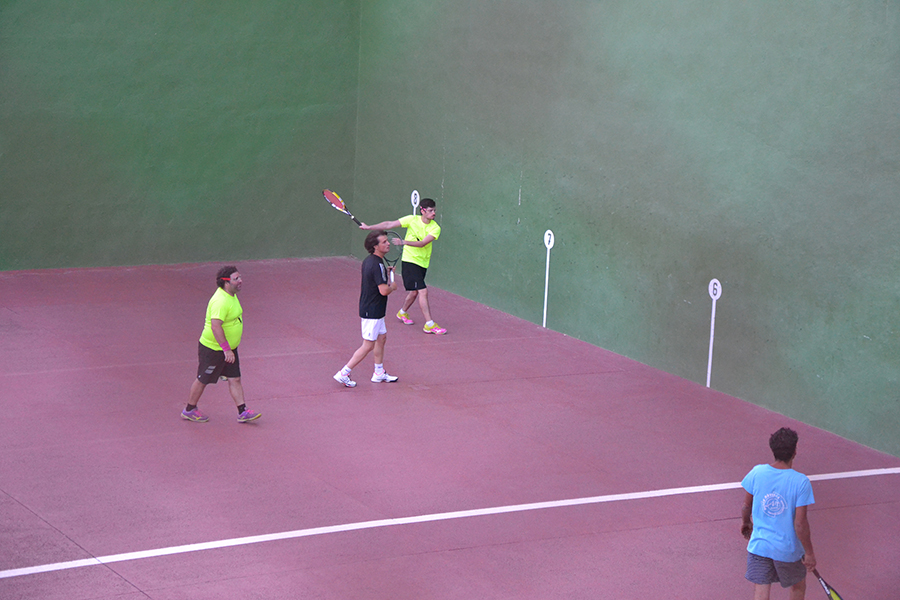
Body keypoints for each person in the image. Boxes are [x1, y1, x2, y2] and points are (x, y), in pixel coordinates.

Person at [740, 427, 816, 600]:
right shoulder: (801, 482)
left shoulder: (757, 472)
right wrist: (809, 553)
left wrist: (746, 522)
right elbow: (800, 524)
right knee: (797, 586)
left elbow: (746, 506)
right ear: (794, 451)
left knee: (761, 590)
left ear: (772, 449)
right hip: (787, 550)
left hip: (759, 547)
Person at [182, 266, 260, 423]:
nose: (240, 281)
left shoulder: (231, 295)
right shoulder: (220, 301)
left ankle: (242, 411)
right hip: (214, 349)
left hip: (228, 349)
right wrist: (226, 350)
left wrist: (229, 349)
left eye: (240, 277)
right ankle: (189, 410)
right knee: (203, 379)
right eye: (236, 279)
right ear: (226, 282)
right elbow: (215, 326)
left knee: (235, 378)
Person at [360, 197, 446, 334]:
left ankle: (402, 312)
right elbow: (389, 224)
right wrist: (369, 227)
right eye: (430, 211)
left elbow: (423, 243)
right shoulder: (411, 219)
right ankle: (429, 324)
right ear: (422, 211)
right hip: (409, 260)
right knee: (423, 291)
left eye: (434, 210)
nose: (433, 213)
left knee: (415, 291)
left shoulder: (435, 228)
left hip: (423, 262)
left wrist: (404, 242)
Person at [333, 230, 400, 387]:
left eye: (387, 241)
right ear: (375, 246)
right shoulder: (377, 265)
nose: (388, 243)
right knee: (368, 345)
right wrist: (393, 286)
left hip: (376, 309)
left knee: (381, 338)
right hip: (372, 310)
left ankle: (378, 373)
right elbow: (384, 291)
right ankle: (343, 373)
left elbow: (376, 280)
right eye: (384, 242)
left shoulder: (371, 261)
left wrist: (387, 274)